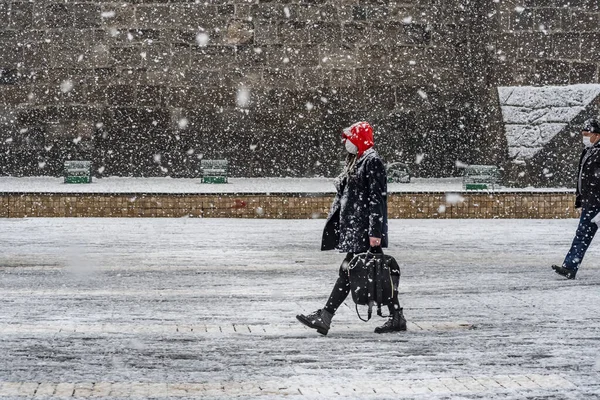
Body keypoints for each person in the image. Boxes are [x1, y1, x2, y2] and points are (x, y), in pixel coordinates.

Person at [296, 121, 406, 335]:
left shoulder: (371, 161)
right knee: (369, 273)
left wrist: (375, 233)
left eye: (350, 138)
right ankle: (395, 316)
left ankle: (326, 317)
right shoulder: (357, 160)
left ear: (360, 140)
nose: (346, 142)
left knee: (358, 272)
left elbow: (377, 199)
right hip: (357, 229)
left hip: (364, 231)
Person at [552, 118, 600, 279]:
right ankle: (570, 266)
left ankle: (571, 265)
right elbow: (582, 178)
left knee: (583, 234)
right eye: (583, 134)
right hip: (590, 202)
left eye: (587, 134)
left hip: (597, 202)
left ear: (597, 135)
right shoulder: (588, 151)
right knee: (582, 234)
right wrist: (580, 199)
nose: (584, 137)